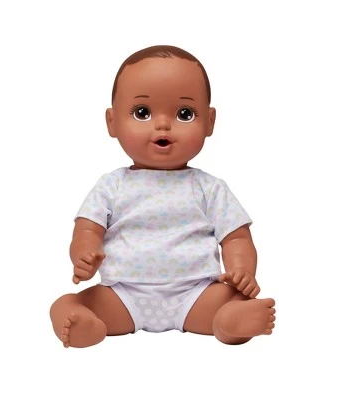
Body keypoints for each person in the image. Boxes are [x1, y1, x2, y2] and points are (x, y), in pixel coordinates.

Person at [49, 45, 276, 348]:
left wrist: (241, 272)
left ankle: (230, 323)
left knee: (234, 299)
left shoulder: (209, 188)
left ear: (209, 122)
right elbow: (87, 229)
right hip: (122, 294)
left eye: (185, 114)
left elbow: (236, 237)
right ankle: (85, 325)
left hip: (197, 292)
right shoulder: (111, 185)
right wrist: (84, 254)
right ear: (112, 122)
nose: (163, 124)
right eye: (142, 113)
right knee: (66, 303)